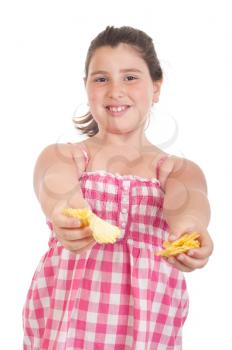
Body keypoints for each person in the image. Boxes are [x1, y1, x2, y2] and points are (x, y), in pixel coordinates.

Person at [22, 25, 213, 349]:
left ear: (156, 86)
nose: (115, 90)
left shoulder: (177, 170)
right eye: (101, 78)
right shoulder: (64, 155)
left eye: (130, 77)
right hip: (68, 326)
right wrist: (68, 212)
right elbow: (54, 184)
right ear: (86, 87)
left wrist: (190, 232)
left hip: (148, 327)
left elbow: (189, 201)